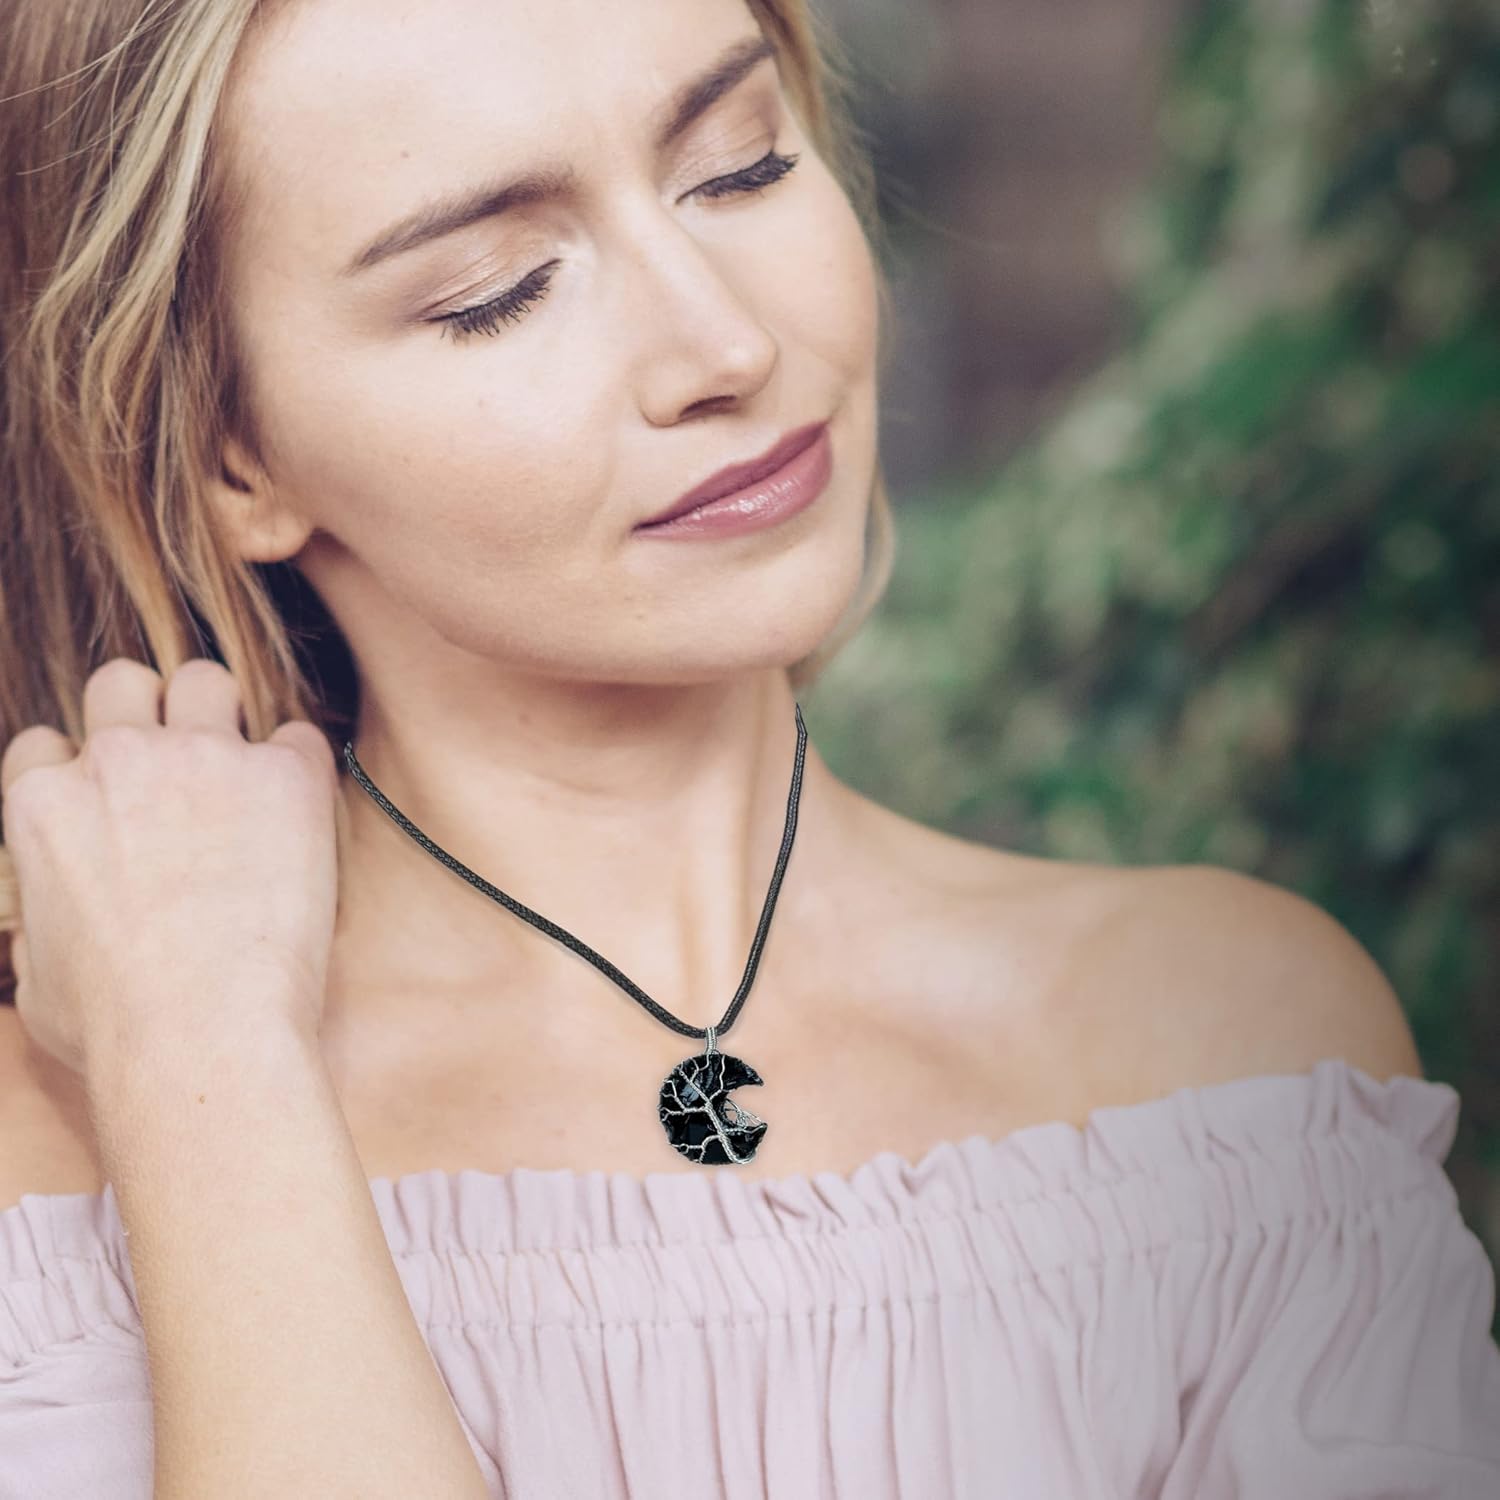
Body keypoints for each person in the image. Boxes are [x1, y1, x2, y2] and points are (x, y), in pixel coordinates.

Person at [0, 0, 1497, 1496]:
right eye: (496, 291)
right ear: (230, 455)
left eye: (741, 166)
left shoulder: (1233, 1055)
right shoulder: (54, 1165)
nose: (728, 342)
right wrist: (204, 1066)